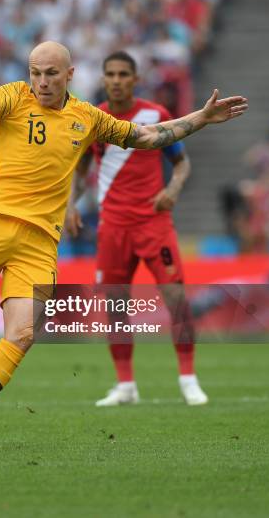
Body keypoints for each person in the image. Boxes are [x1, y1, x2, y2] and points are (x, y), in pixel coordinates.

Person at [0, 41, 247, 451]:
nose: (42, 81)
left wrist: (201, 118)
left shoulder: (87, 117)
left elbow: (147, 136)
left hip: (40, 242)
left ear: (70, 74)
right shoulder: (11, 97)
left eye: (51, 73)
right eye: (36, 72)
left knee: (24, 333)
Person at [66, 50, 209, 407]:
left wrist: (172, 189)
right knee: (115, 305)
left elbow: (181, 163)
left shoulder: (155, 115)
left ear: (135, 79)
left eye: (123, 74)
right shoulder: (93, 119)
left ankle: (188, 378)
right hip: (112, 227)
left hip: (153, 223)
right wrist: (70, 203)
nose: (116, 80)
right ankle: (126, 385)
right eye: (110, 73)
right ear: (103, 79)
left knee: (175, 298)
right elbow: (81, 171)